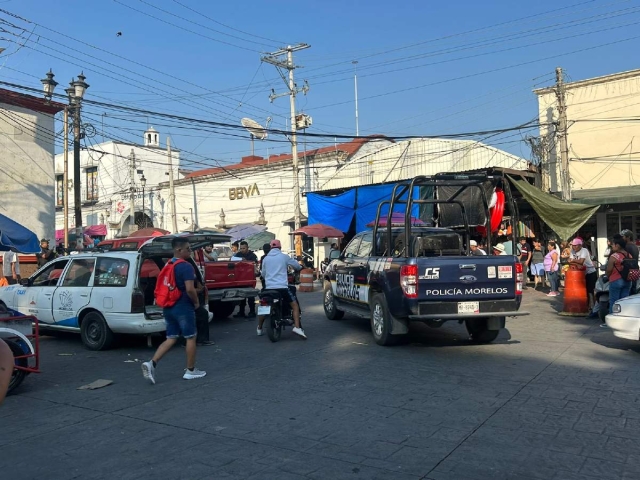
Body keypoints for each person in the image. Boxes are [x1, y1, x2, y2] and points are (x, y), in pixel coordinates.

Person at [141, 237, 206, 384]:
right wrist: (196, 302)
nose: (190, 251)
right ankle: (190, 370)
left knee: (171, 337)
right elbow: (189, 289)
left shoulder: (168, 265)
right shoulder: (186, 266)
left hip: (168, 305)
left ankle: (152, 363)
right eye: (188, 249)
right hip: (183, 306)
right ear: (179, 250)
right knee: (190, 337)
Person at [258, 239, 306, 339]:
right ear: (280, 247)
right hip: (282, 288)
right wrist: (300, 267)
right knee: (295, 306)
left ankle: (259, 328)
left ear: (271, 247)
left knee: (264, 307)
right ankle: (297, 327)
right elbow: (297, 266)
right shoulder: (284, 257)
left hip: (268, 288)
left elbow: (263, 274)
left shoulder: (266, 259)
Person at [605, 238, 632, 320]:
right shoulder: (629, 255)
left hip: (616, 281)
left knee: (614, 301)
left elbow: (609, 270)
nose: (612, 246)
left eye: (613, 244)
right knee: (624, 302)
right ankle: (623, 319)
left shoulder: (614, 256)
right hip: (627, 281)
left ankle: (612, 320)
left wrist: (608, 276)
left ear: (617, 245)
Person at [568, 238, 597, 310]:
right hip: (581, 273)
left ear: (580, 245)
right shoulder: (572, 251)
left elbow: (581, 261)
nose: (573, 247)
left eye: (575, 245)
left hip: (590, 272)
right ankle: (587, 305)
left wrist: (573, 260)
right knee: (584, 290)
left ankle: (595, 306)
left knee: (591, 290)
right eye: (572, 245)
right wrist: (575, 262)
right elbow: (569, 261)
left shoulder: (584, 250)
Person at [233, 241, 259, 318]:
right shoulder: (238, 255)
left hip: (250, 277)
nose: (242, 250)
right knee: (241, 295)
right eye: (241, 248)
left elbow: (255, 265)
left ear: (247, 248)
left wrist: (246, 261)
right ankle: (241, 312)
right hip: (240, 277)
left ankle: (252, 311)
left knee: (250, 296)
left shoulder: (252, 255)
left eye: (244, 248)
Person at [621, 230, 638, 295]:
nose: (622, 238)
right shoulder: (635, 246)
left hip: (629, 272)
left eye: (623, 237)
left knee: (628, 292)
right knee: (633, 290)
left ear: (628, 237)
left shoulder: (626, 247)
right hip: (635, 271)